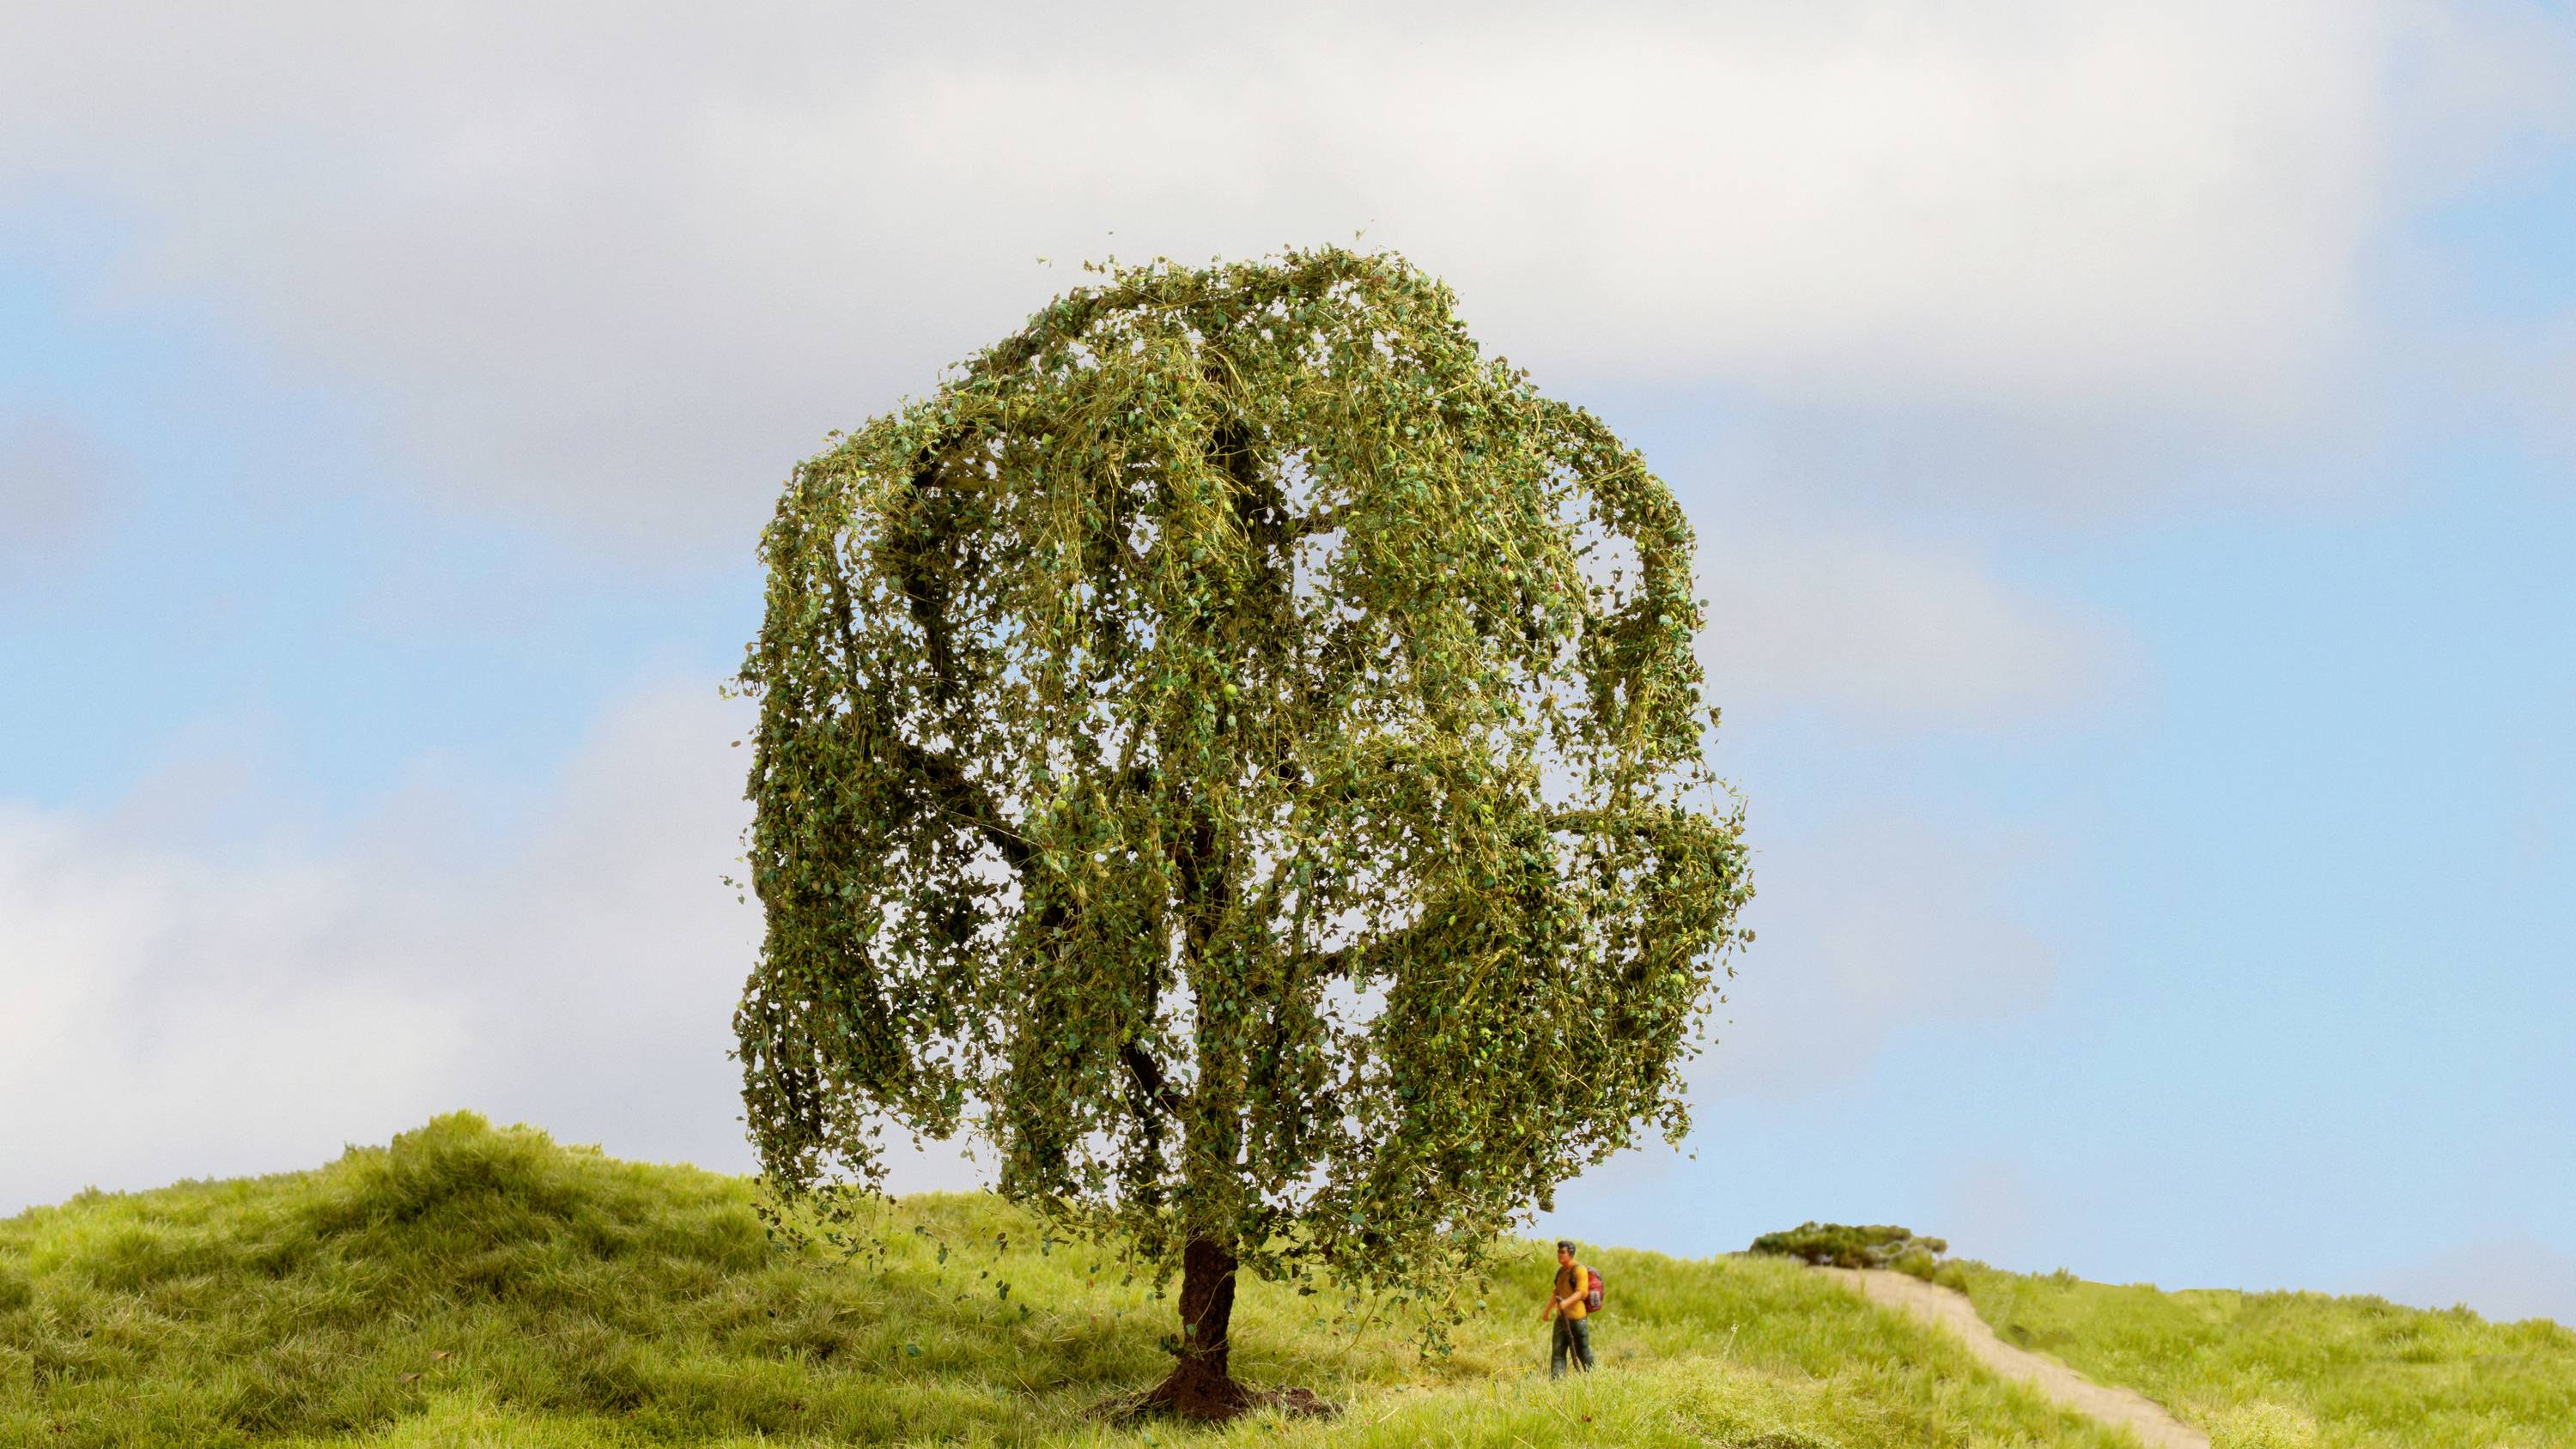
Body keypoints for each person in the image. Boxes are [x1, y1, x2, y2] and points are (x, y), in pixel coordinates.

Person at [1539, 1239, 1596, 1378]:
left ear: (1571, 1253)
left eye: (1563, 1252)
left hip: (1577, 1318)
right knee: (1558, 1351)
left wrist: (1565, 1303)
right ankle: (1557, 1381)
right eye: (1558, 1252)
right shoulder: (1561, 1272)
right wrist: (1547, 1311)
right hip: (1561, 1318)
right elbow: (1556, 1293)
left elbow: (1582, 1292)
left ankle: (1595, 1376)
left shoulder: (1579, 1270)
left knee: (1583, 1350)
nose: (1559, 1255)